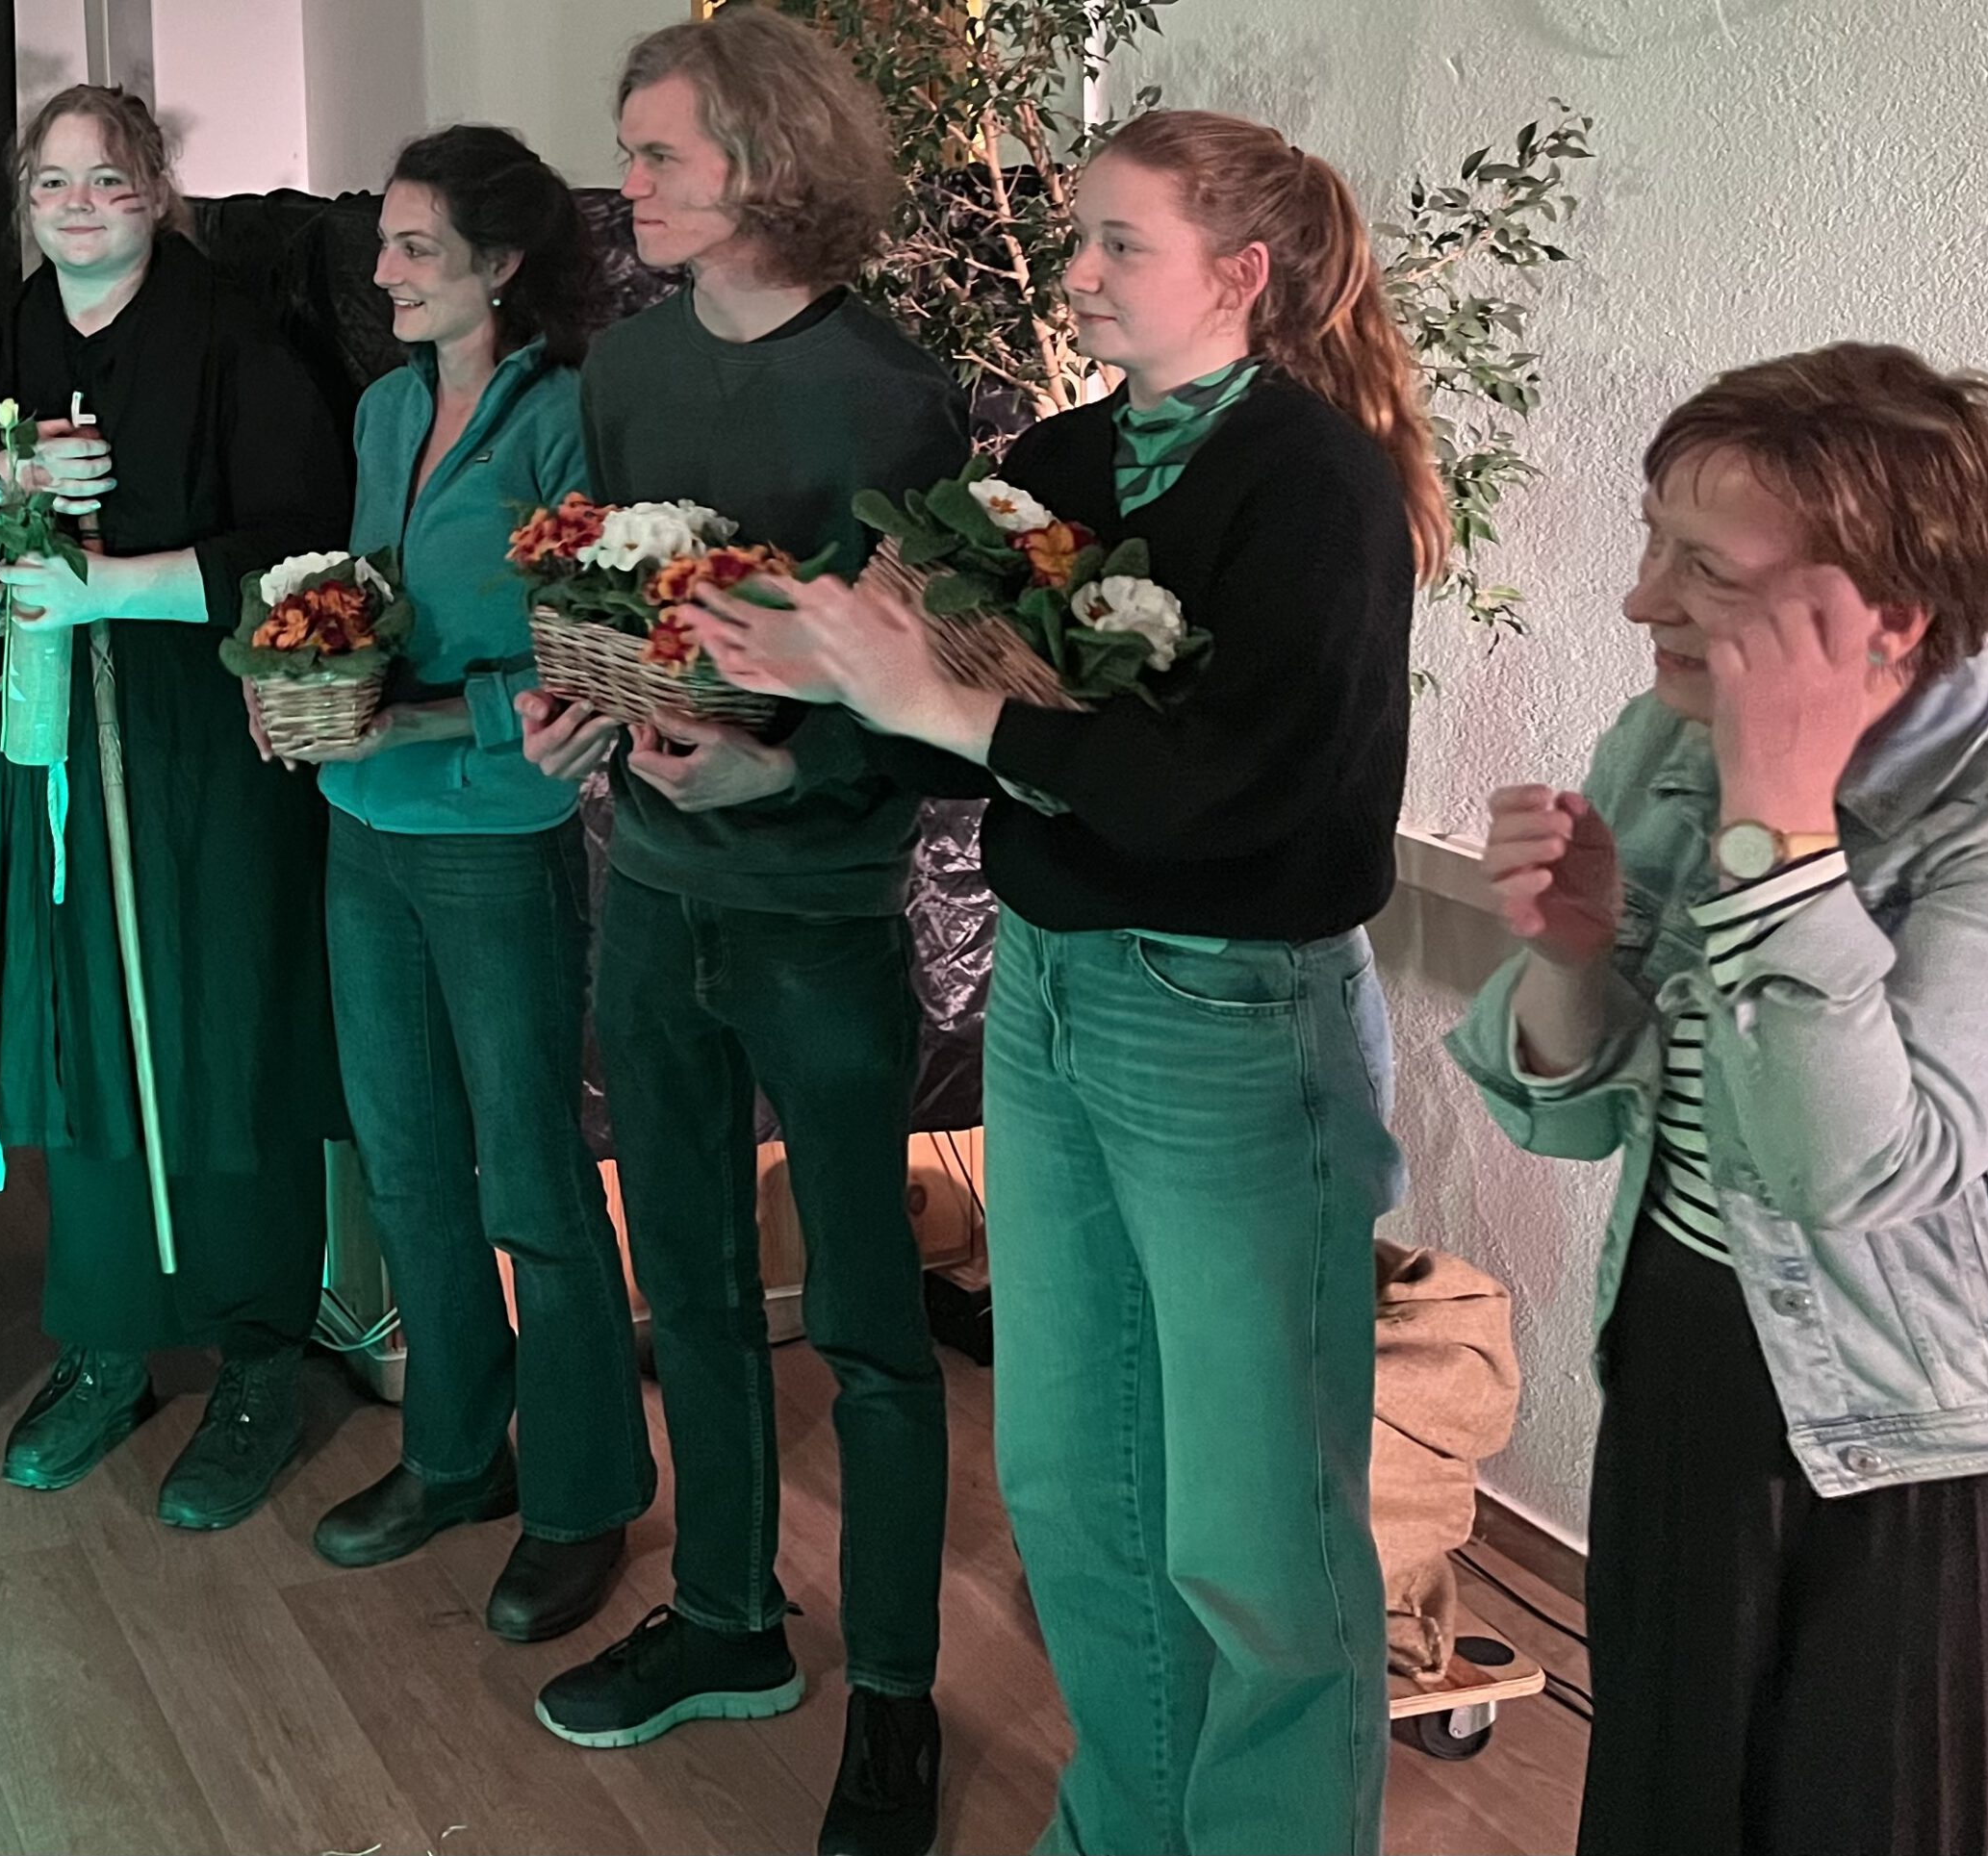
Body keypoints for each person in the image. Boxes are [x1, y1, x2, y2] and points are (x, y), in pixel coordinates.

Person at [690, 110, 1443, 1856]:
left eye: (1119, 242)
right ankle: (1120, 1825)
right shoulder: (1061, 457)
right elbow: (953, 719)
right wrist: (786, 711)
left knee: (1253, 1536)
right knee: (1076, 1484)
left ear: (1241, 275)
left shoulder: (1315, 484)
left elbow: (1238, 787)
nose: (1077, 270)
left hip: (1229, 1018)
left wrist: (943, 705)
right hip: (1052, 989)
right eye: (1079, 236)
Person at [1447, 344, 1988, 1856]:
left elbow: (1862, 1171)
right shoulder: (1666, 742)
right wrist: (1568, 956)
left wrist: (1784, 825)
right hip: (1685, 1344)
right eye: (1653, 541)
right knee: (1665, 1797)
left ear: (1886, 619)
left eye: (1703, 567)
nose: (1641, 599)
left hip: (1920, 1433)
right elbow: (1567, 1112)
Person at [518, 13, 968, 1854]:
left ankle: (897, 1696)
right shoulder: (625, 368)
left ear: (768, 164)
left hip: (819, 915)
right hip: (655, 892)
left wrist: (782, 769)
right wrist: (577, 706)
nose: (624, 184)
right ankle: (726, 1619)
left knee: (865, 1323)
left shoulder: (898, 397)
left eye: (658, 156)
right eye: (628, 149)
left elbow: (932, 697)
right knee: (689, 1286)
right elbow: (618, 605)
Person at [0, 85, 349, 1530]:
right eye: (52, 183)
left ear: (155, 190)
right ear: (25, 199)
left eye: (107, 180)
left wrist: (119, 585)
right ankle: (108, 1342)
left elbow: (310, 547)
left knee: (226, 1023)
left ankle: (261, 1351)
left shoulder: (239, 345)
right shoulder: (1, 346)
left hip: (211, 749)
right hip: (50, 759)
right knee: (78, 1032)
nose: (78, 206)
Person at [253, 126, 655, 1641]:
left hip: (495, 836)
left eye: (417, 247)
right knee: (409, 1164)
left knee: (532, 1181)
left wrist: (420, 720)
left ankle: (584, 1497)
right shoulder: (384, 409)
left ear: (502, 264)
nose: (385, 273)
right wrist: (299, 680)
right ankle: (452, 1455)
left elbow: (585, 653)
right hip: (364, 826)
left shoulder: (567, 420)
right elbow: (362, 607)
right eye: (387, 244)